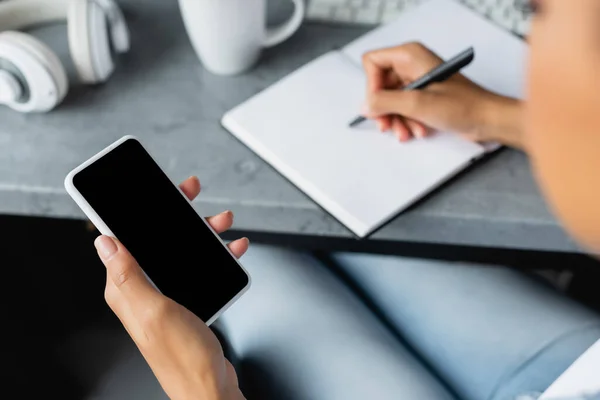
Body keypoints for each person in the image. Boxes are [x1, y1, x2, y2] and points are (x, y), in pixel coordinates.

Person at [91, 0, 600, 399]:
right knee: (272, 240)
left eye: (538, 12)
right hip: (578, 370)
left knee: (264, 252)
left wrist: (200, 387)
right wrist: (494, 114)